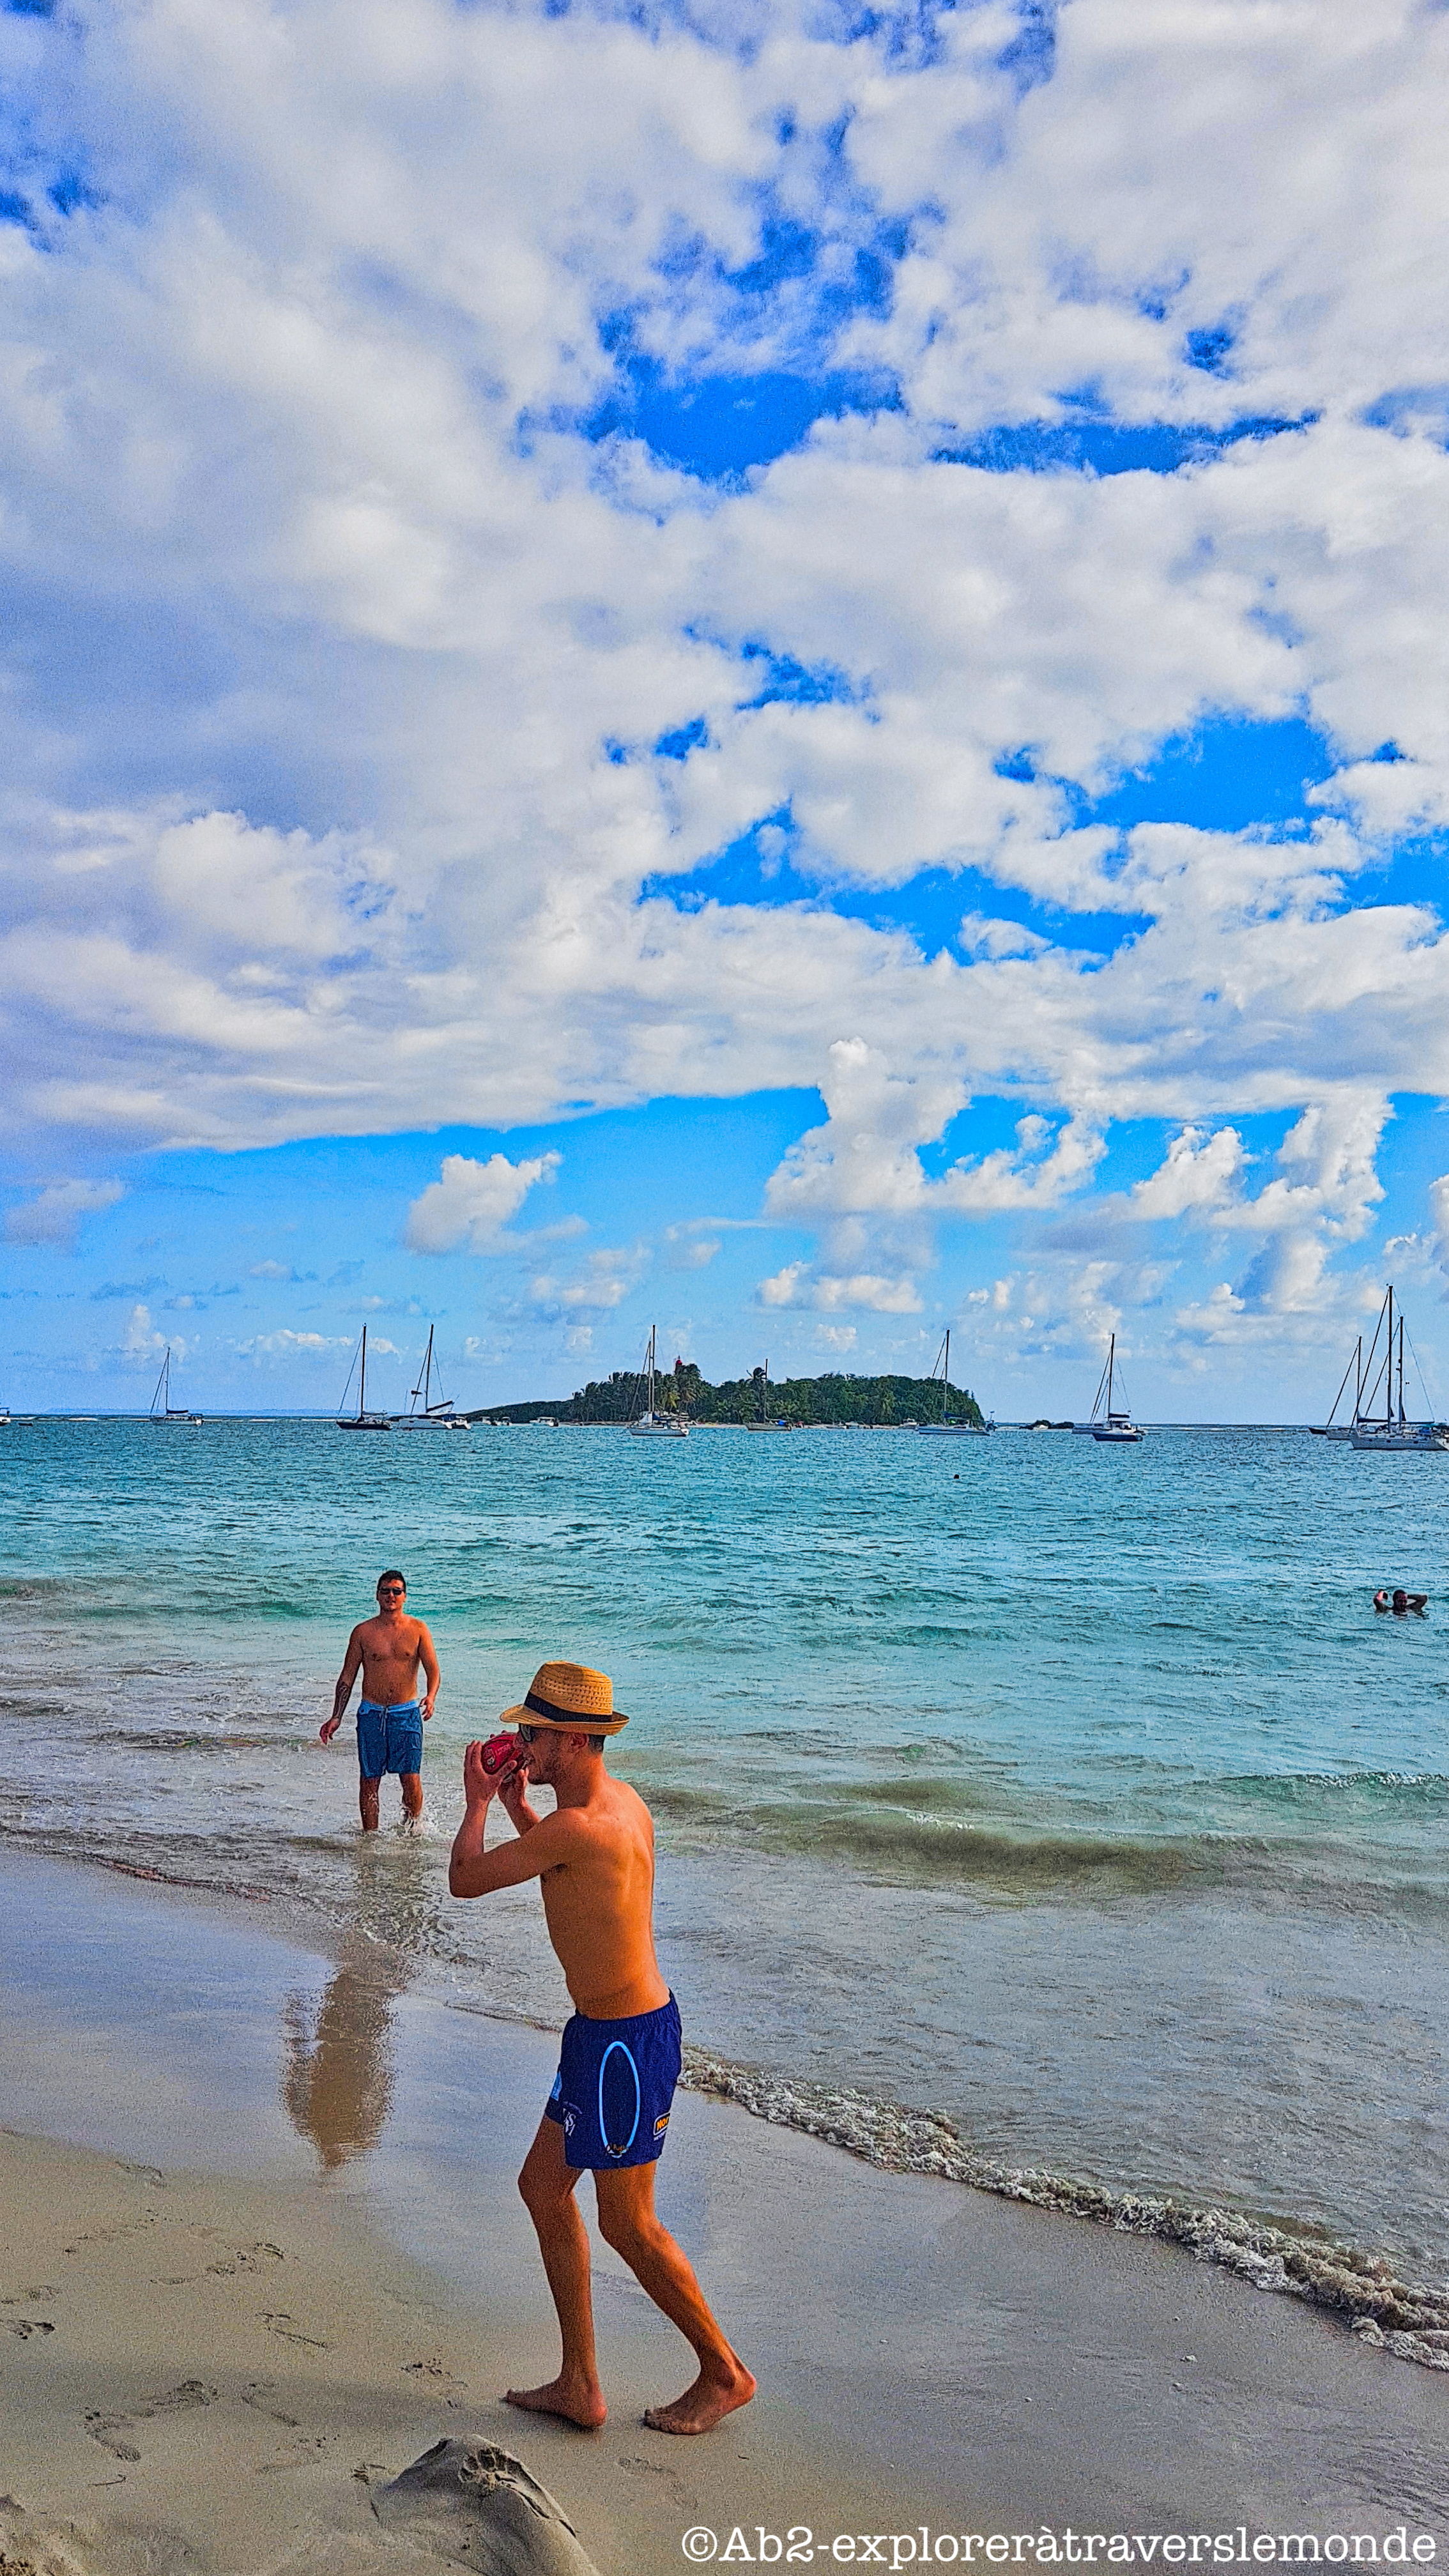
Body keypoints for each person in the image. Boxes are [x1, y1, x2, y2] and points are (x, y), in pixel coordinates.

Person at [448, 1659, 755, 2437]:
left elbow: (465, 1879)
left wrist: (479, 1801)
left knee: (630, 2223)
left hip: (626, 2048)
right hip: (602, 2038)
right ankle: (581, 2383)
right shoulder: (612, 1809)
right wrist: (521, 1806)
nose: (522, 1741)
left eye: (535, 1733)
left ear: (577, 1740)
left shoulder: (581, 1824)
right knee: (544, 2188)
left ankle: (724, 2372)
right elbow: (568, 1873)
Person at [319, 1570, 440, 1828]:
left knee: (411, 1778)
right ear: (377, 1595)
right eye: (385, 1590)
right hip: (372, 1714)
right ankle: (370, 1839)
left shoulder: (418, 1629)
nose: (391, 1596)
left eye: (397, 1591)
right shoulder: (363, 1632)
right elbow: (347, 1678)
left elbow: (433, 1670)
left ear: (405, 1596)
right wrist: (336, 1716)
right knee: (370, 1780)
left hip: (406, 1714)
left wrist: (430, 1697)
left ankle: (412, 1833)